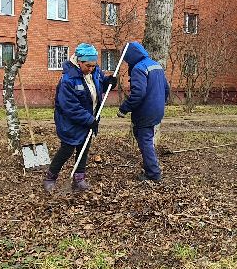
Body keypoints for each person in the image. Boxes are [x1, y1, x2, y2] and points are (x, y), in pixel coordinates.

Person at [43, 43, 108, 193]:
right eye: (88, 65)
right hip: (70, 121)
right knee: (67, 149)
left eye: (94, 65)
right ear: (79, 61)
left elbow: (99, 86)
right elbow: (69, 106)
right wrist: (89, 119)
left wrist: (108, 83)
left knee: (83, 149)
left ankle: (79, 180)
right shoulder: (68, 80)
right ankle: (50, 178)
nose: (91, 69)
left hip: (89, 119)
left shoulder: (95, 72)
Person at [115, 41, 170, 182]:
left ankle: (153, 173)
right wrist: (160, 103)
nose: (126, 62)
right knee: (144, 137)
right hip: (157, 109)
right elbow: (166, 88)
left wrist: (124, 108)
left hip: (145, 111)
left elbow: (138, 93)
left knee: (145, 141)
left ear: (130, 56)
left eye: (126, 59)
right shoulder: (156, 65)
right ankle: (149, 167)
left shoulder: (139, 68)